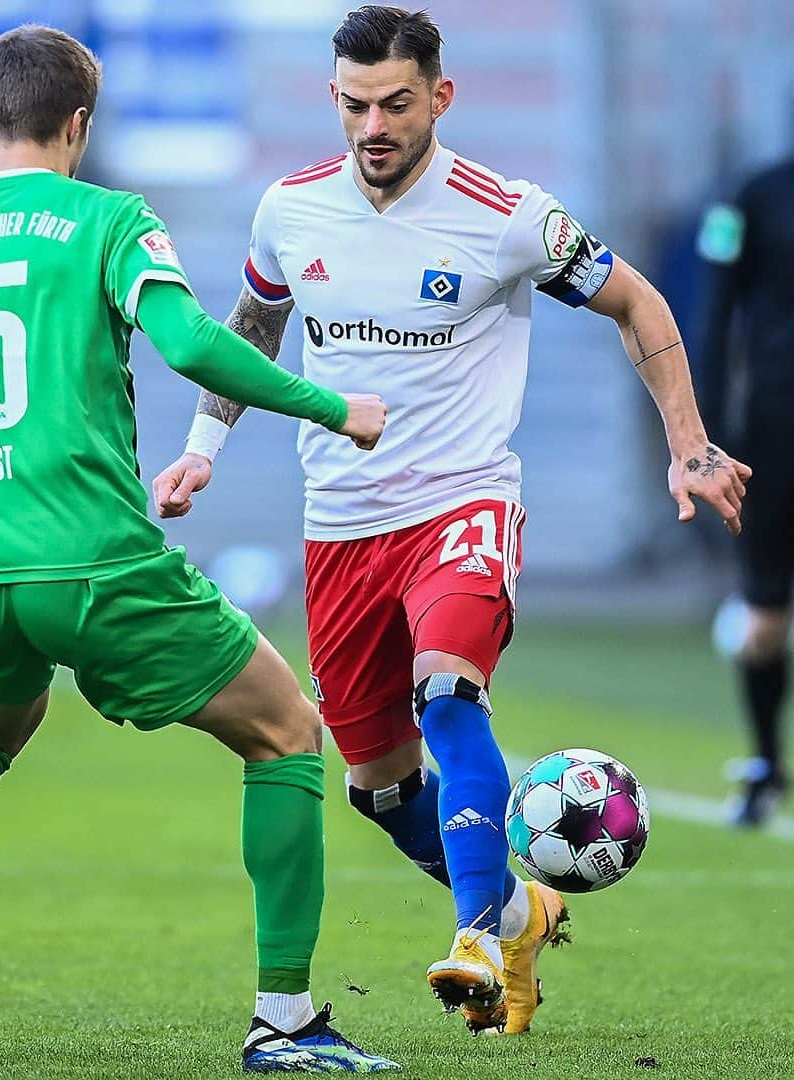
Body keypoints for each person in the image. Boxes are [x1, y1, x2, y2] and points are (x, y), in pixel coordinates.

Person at [0, 25, 399, 1074]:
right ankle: (284, 1022)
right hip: (96, 562)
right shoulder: (108, 219)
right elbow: (197, 344)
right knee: (289, 732)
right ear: (80, 125)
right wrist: (337, 408)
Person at [153, 4, 751, 1036]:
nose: (372, 125)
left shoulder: (509, 213)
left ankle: (474, 933)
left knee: (449, 691)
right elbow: (253, 322)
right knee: (378, 789)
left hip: (461, 504)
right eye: (352, 104)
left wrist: (689, 443)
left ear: (440, 95)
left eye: (394, 103)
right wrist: (202, 451)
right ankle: (520, 914)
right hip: (340, 529)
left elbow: (640, 304)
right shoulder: (290, 212)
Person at [694, 155, 794, 826]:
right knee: (764, 610)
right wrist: (702, 430)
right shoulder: (754, 195)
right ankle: (764, 765)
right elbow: (716, 309)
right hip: (773, 427)